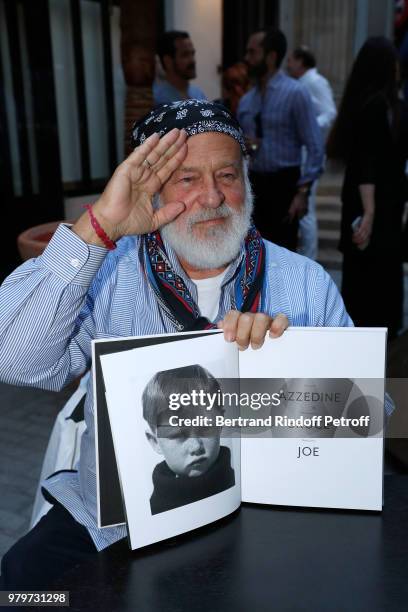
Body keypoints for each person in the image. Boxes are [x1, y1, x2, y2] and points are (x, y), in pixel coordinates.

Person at [0, 98, 355, 589]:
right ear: (153, 192)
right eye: (187, 180)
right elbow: (15, 359)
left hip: (256, 512)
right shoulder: (109, 275)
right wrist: (97, 228)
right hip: (118, 521)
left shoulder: (304, 284)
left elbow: (368, 416)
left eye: (227, 176)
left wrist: (293, 367)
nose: (212, 197)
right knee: (22, 586)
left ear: (246, 183)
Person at [327, 37, 408, 339]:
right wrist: (372, 212)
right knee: (382, 276)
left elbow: (365, 163)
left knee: (364, 278)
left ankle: (365, 341)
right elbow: (368, 164)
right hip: (381, 203)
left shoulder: (364, 105)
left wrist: (369, 212)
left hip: (372, 202)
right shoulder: (385, 107)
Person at [237, 29, 324, 251]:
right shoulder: (247, 100)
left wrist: (302, 193)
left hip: (285, 185)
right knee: (255, 255)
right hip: (255, 185)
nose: (247, 58)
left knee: (284, 256)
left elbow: (315, 147)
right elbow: (248, 147)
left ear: (271, 56)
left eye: (252, 52)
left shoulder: (296, 93)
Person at [143, 365, 235, 515]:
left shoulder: (245, 486)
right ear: (154, 442)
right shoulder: (149, 516)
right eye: (177, 434)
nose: (195, 447)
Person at [287, 46, 337, 260]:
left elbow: (330, 112)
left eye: (291, 59)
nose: (287, 63)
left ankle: (310, 257)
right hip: (302, 151)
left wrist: (307, 127)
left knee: (306, 209)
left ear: (301, 62)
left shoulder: (315, 82)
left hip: (309, 152)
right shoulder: (302, 83)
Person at [153, 31, 207, 105]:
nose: (192, 60)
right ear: (168, 61)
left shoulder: (199, 95)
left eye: (192, 54)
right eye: (185, 55)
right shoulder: (156, 98)